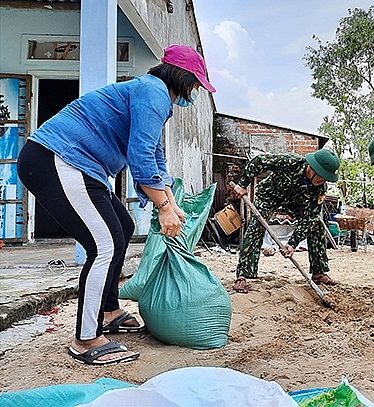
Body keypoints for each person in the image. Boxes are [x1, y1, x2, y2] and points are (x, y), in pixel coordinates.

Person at [17, 44, 216, 365]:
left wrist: (171, 201)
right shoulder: (153, 93)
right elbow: (139, 156)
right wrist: (163, 207)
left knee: (121, 227)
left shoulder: (155, 98)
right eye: (195, 84)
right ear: (181, 77)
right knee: (104, 244)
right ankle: (86, 339)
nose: (194, 92)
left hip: (84, 168)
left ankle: (108, 310)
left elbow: (154, 154)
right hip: (55, 159)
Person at [232, 150, 341, 293]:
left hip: (296, 202)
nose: (324, 181)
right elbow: (259, 161)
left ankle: (318, 273)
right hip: (270, 195)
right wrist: (242, 184)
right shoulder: (291, 162)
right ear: (313, 168)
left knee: (317, 224)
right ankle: (242, 276)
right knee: (257, 225)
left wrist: (292, 244)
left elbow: (310, 217)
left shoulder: (320, 188)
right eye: (323, 176)